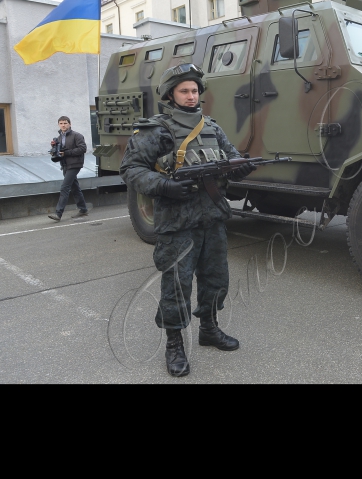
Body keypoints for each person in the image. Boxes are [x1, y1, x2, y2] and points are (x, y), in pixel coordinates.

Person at [120, 64, 256, 378]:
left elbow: (230, 157)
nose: (191, 95)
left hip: (212, 217)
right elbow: (131, 169)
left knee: (216, 279)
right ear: (171, 94)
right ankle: (174, 344)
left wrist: (240, 168)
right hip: (177, 222)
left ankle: (209, 329)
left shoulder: (211, 126)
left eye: (195, 90)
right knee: (176, 287)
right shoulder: (154, 130)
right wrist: (163, 185)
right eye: (184, 90)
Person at [48, 117, 89, 222]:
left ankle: (58, 214)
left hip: (75, 164)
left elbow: (83, 149)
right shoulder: (59, 137)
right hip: (65, 165)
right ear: (58, 125)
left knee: (65, 187)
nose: (63, 125)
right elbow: (61, 152)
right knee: (75, 188)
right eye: (61, 123)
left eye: (65, 123)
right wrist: (54, 151)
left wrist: (66, 153)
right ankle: (83, 209)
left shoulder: (77, 135)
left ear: (70, 124)